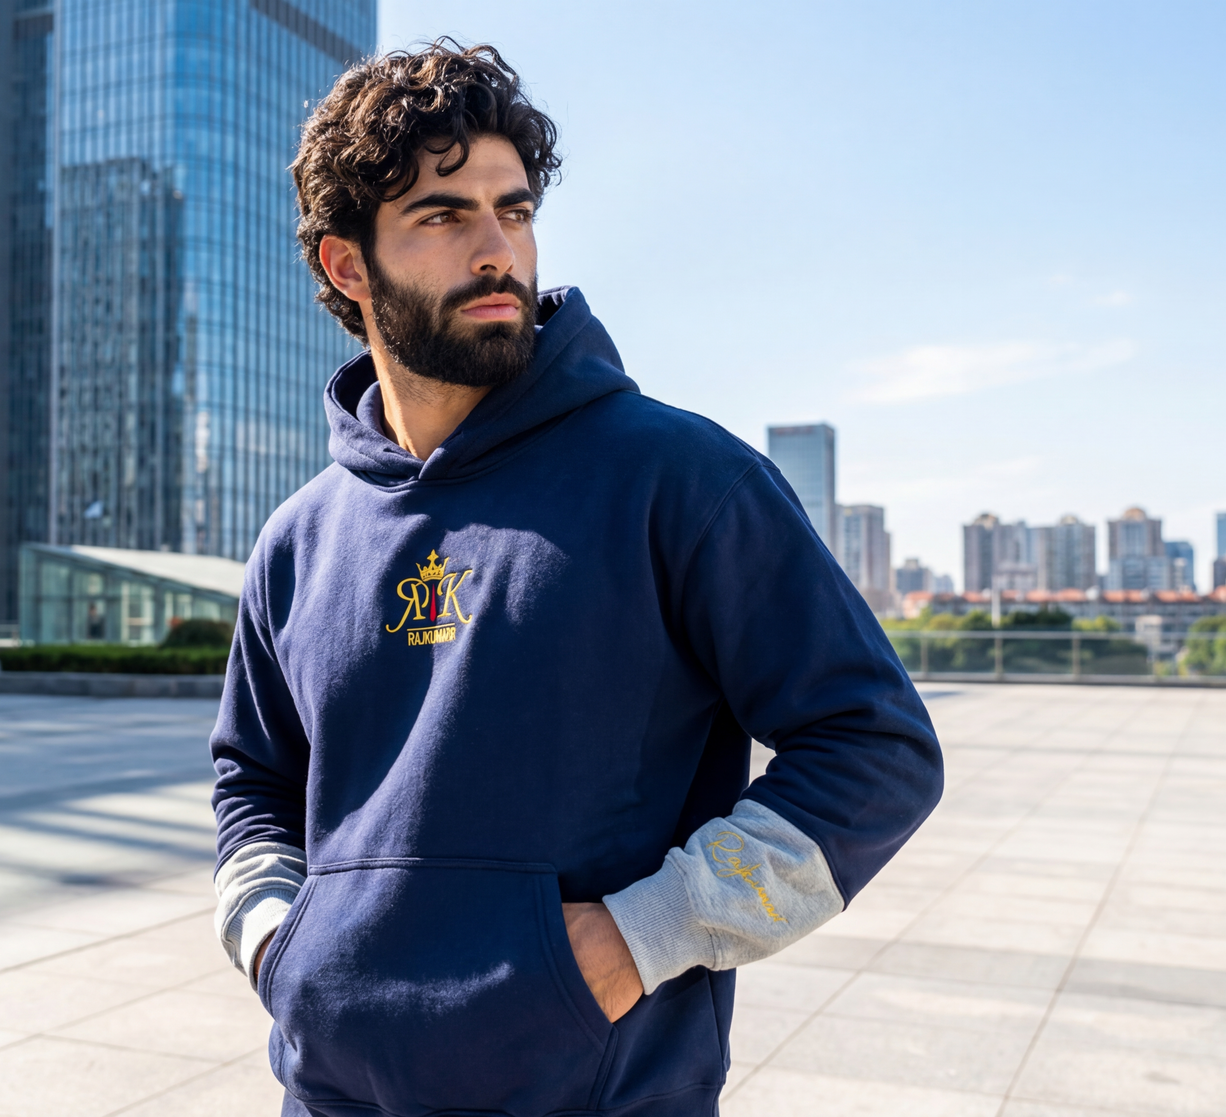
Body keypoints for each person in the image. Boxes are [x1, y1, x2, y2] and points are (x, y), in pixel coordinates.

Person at [210, 41, 943, 1117]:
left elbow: (875, 750)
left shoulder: (679, 478)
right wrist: (282, 946)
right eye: (442, 216)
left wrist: (632, 940)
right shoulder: (298, 538)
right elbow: (250, 788)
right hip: (329, 1098)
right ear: (346, 265)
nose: (496, 247)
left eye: (511, 210)